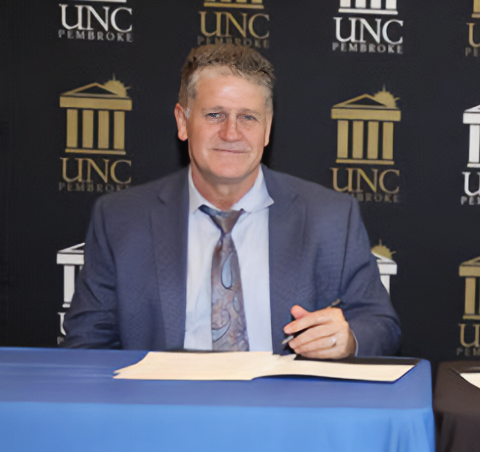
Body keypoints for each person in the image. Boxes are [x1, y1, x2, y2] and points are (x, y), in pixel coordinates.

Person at [63, 44, 400, 357]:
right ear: (183, 121)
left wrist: (348, 340)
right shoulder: (120, 220)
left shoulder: (331, 217)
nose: (231, 133)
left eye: (248, 117)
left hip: (286, 401)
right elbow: (87, 343)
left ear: (267, 128)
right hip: (165, 400)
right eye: (214, 115)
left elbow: (380, 325)